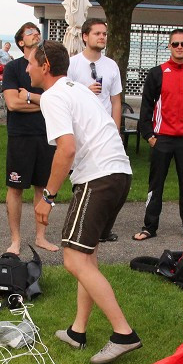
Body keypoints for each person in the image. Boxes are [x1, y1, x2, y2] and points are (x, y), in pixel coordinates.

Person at [30, 41, 141, 364]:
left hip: (99, 176)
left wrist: (47, 198)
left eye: (31, 63)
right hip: (119, 173)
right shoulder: (76, 89)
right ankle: (78, 331)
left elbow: (66, 149)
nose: (27, 69)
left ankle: (123, 333)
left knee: (74, 260)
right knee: (86, 257)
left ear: (45, 66)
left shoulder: (53, 95)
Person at [133, 28, 183, 243]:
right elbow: (146, 107)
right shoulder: (157, 73)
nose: (179, 48)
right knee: (155, 185)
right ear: (169, 46)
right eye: (175, 44)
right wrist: (149, 135)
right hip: (161, 139)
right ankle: (149, 227)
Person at [2, 21, 59, 254]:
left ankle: (40, 237)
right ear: (20, 42)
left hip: (47, 135)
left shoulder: (48, 68)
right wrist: (44, 102)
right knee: (15, 188)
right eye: (29, 32)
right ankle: (15, 240)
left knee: (42, 187)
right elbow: (12, 103)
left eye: (37, 30)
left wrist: (31, 98)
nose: (35, 33)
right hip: (20, 136)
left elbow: (57, 100)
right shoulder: (14, 68)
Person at [66, 17, 123, 242]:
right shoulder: (72, 64)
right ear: (85, 37)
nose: (102, 37)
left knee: (106, 178)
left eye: (104, 34)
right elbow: (65, 95)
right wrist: (84, 90)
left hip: (105, 134)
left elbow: (116, 100)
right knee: (82, 178)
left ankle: (102, 228)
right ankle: (80, 225)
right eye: (97, 33)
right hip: (81, 132)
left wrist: (116, 131)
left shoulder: (111, 65)